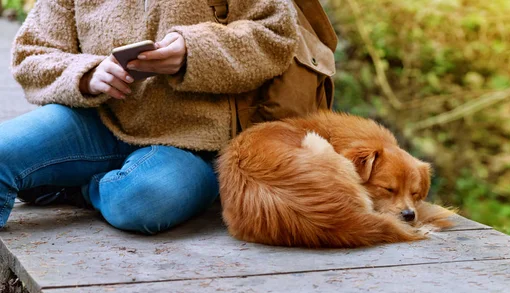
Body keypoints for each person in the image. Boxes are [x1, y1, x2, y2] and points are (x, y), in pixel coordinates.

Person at [1, 0, 298, 234]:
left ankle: (71, 187)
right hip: (95, 121)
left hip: (193, 142)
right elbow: (31, 54)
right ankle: (78, 179)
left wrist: (193, 51)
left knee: (140, 200)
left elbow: (276, 34)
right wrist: (87, 74)